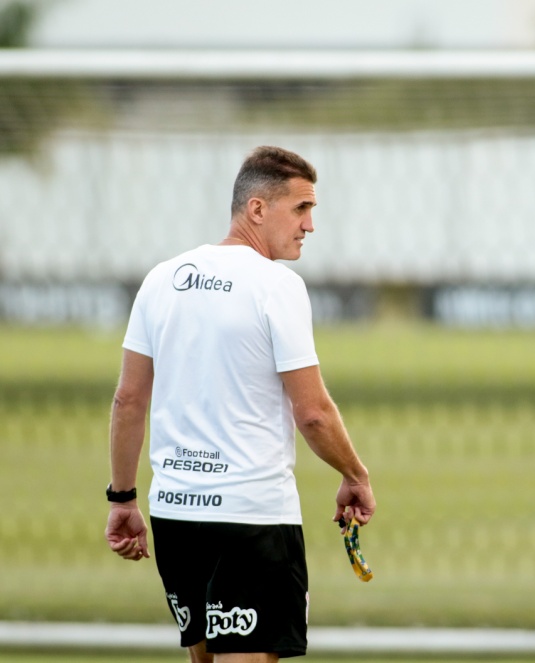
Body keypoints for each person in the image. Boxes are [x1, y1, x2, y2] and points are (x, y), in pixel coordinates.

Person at [105, 146, 376, 663]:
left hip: (174, 513)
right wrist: (355, 474)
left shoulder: (162, 279)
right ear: (257, 209)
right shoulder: (277, 286)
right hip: (250, 517)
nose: (310, 225)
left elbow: (128, 399)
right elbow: (313, 412)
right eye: (300, 208)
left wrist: (122, 499)